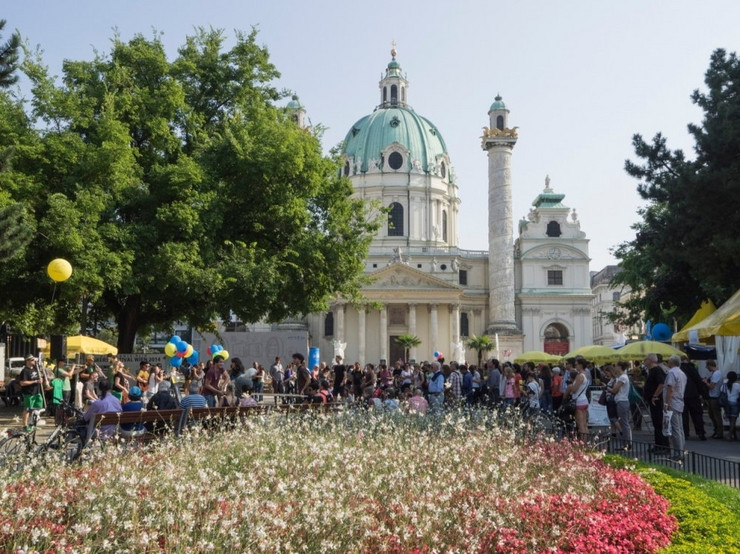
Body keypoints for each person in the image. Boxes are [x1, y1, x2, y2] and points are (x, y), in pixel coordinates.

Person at [643, 353, 670, 453]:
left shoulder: (656, 370)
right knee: (656, 423)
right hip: (653, 401)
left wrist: (655, 395)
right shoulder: (652, 371)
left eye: (645, 359)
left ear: (650, 360)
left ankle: (663, 446)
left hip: (657, 401)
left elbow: (662, 384)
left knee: (659, 423)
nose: (644, 361)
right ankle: (658, 444)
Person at [663, 355, 687, 461]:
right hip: (680, 401)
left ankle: (678, 452)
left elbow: (670, 389)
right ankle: (682, 449)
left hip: (673, 402)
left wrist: (666, 403)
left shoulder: (672, 373)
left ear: (671, 362)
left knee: (675, 428)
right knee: (680, 428)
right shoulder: (682, 373)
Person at [680, 357, 707, 440]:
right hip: (694, 395)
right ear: (688, 361)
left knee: (684, 416)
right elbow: (698, 381)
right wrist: (702, 393)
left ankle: (685, 433)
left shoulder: (679, 369)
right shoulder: (692, 368)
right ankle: (701, 433)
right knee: (697, 414)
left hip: (682, 395)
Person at [607, 361, 632, 450]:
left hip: (622, 401)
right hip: (622, 401)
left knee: (624, 423)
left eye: (616, 366)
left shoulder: (622, 377)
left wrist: (607, 388)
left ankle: (626, 443)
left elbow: (614, 390)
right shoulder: (622, 377)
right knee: (623, 422)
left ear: (620, 367)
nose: (615, 367)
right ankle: (626, 443)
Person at [565, 358, 590, 441]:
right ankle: (586, 442)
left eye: (576, 365)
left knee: (580, 425)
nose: (575, 366)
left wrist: (570, 386)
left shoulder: (579, 376)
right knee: (584, 424)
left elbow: (574, 389)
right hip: (584, 400)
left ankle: (583, 443)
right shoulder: (585, 374)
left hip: (579, 401)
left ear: (580, 365)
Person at [19, 354, 43, 431]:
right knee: (27, 409)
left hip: (37, 392)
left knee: (37, 408)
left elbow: (40, 377)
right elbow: (22, 383)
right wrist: (35, 381)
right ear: (28, 361)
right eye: (32, 360)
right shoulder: (25, 371)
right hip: (29, 393)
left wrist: (41, 380)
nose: (34, 361)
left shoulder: (36, 369)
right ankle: (25, 426)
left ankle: (32, 424)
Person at [704, 360, 724, 439]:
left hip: (714, 397)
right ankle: (717, 430)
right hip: (712, 396)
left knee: (716, 415)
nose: (706, 368)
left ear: (709, 365)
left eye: (706, 366)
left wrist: (706, 382)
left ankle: (719, 432)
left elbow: (711, 386)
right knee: (712, 415)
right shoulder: (715, 373)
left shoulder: (716, 374)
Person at [724, 371, 740, 441]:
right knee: (733, 420)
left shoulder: (725, 384)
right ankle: (729, 435)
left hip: (727, 403)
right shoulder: (737, 385)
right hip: (735, 403)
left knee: (730, 420)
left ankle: (734, 435)